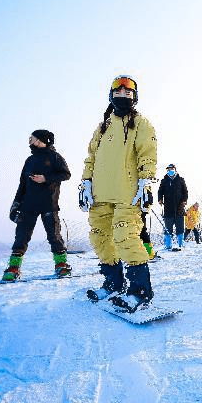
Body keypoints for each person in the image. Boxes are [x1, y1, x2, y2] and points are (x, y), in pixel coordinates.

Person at [81, 75, 158, 312]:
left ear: (135, 97)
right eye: (118, 93)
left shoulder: (141, 124)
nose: (122, 96)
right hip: (101, 193)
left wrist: (146, 181)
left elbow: (148, 153)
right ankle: (113, 284)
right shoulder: (103, 126)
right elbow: (91, 157)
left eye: (128, 93)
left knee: (126, 236)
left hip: (127, 192)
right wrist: (85, 183)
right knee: (100, 237)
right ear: (111, 96)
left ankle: (139, 292)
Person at [2, 130, 72, 281]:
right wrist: (15, 204)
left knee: (54, 236)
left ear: (40, 140)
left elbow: (66, 174)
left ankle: (61, 265)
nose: (29, 141)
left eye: (31, 138)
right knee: (21, 237)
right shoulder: (29, 160)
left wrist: (45, 178)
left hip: (49, 204)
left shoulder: (55, 157)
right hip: (28, 204)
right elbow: (22, 184)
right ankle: (14, 268)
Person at [157, 164, 188, 250]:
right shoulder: (164, 181)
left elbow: (185, 192)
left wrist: (185, 200)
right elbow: (160, 191)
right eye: (169, 169)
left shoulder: (180, 180)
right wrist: (160, 199)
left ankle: (181, 244)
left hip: (179, 207)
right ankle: (168, 245)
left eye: (172, 169)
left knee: (180, 227)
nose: (170, 170)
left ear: (175, 169)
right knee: (168, 228)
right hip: (167, 207)